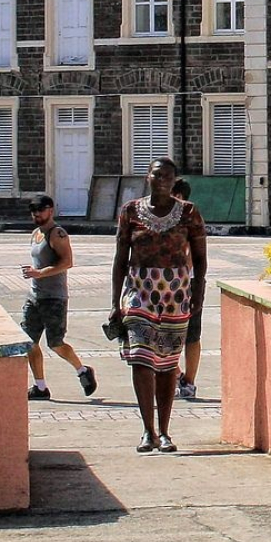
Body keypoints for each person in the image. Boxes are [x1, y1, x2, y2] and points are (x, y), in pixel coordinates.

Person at [109, 159, 206, 453]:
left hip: (176, 293)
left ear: (174, 180)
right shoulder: (130, 211)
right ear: (148, 177)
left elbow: (200, 258)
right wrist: (115, 302)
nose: (161, 179)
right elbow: (119, 258)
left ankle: (164, 431)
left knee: (166, 364)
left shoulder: (188, 213)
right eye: (156, 174)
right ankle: (146, 430)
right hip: (139, 290)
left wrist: (198, 292)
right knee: (140, 358)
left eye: (167, 175)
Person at [21, 194, 97, 401]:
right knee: (29, 342)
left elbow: (67, 262)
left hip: (54, 297)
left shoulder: (58, 234)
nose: (36, 214)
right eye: (33, 210)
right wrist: (33, 273)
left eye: (40, 210)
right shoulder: (36, 233)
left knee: (55, 343)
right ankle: (40, 387)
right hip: (34, 296)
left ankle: (82, 370)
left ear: (51, 210)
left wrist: (41, 273)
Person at [171, 179, 204, 400]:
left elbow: (194, 253)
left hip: (186, 282)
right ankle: (178, 375)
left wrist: (182, 278)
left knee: (192, 334)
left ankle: (189, 380)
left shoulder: (190, 217)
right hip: (163, 281)